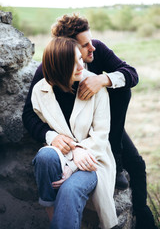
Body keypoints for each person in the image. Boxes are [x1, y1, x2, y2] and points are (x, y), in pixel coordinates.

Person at [22, 14, 157, 229]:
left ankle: (144, 217)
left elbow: (131, 74)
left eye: (91, 42)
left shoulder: (97, 50)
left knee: (137, 164)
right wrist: (53, 137)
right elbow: (28, 114)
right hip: (69, 136)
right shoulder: (48, 71)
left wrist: (102, 79)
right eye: (85, 46)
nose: (92, 48)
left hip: (103, 127)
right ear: (66, 47)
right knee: (52, 166)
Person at [31, 36, 118, 229]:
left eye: (80, 58)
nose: (82, 65)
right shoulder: (40, 90)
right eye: (74, 62)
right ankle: (52, 213)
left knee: (69, 189)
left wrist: (75, 162)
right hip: (62, 155)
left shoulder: (95, 88)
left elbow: (101, 135)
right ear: (60, 65)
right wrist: (70, 153)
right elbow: (33, 119)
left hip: (94, 157)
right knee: (45, 156)